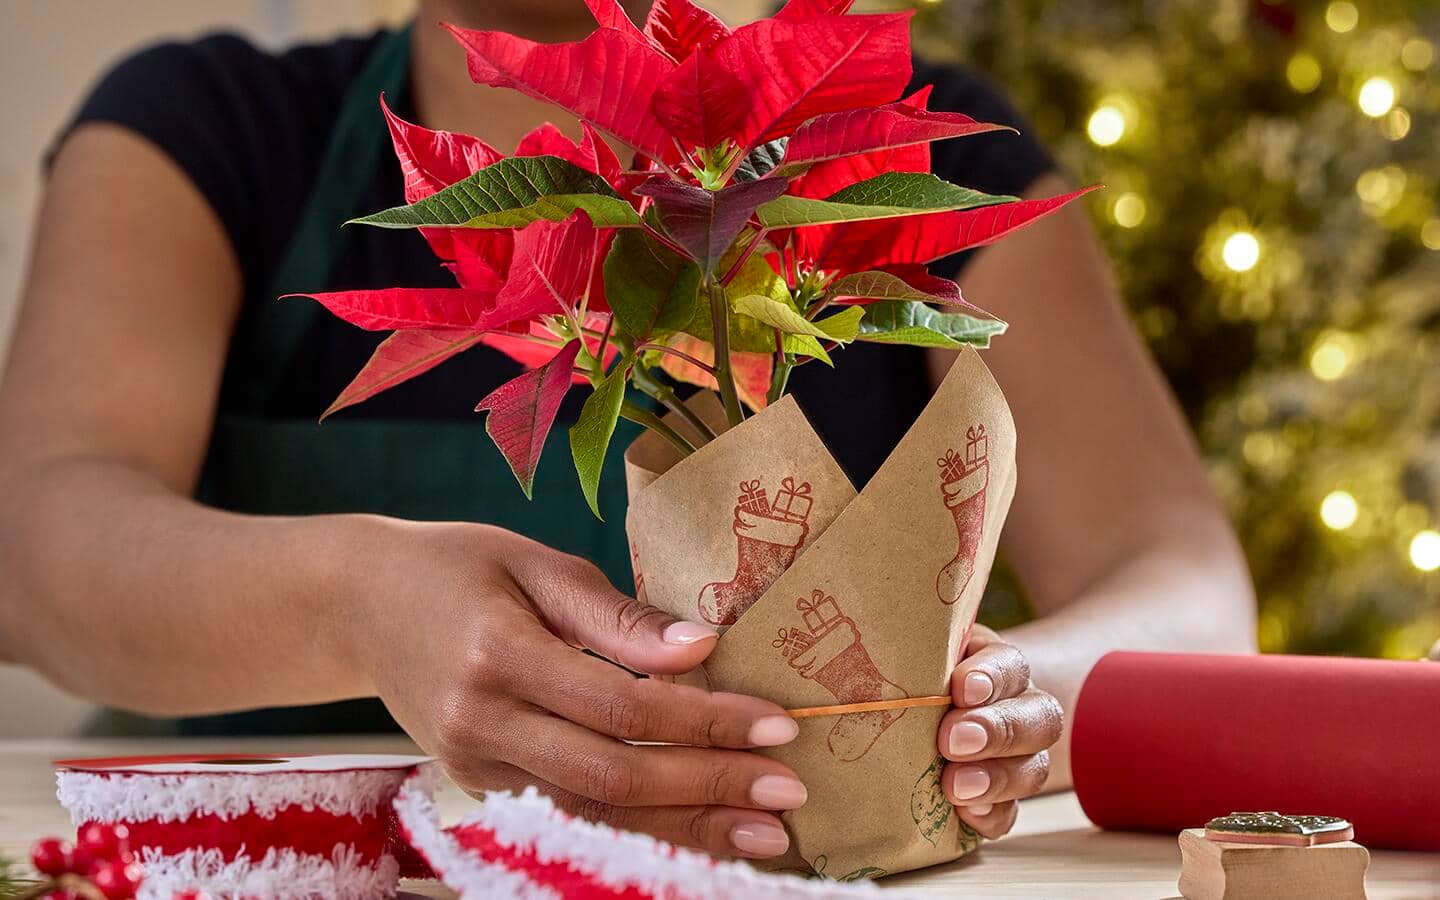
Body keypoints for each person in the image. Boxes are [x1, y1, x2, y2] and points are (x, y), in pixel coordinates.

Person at [0, 0, 1255, 862]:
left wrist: (1018, 696)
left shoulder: (903, 139)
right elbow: (36, 545)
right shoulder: (209, 125)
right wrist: (356, 601)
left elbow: (1187, 584)